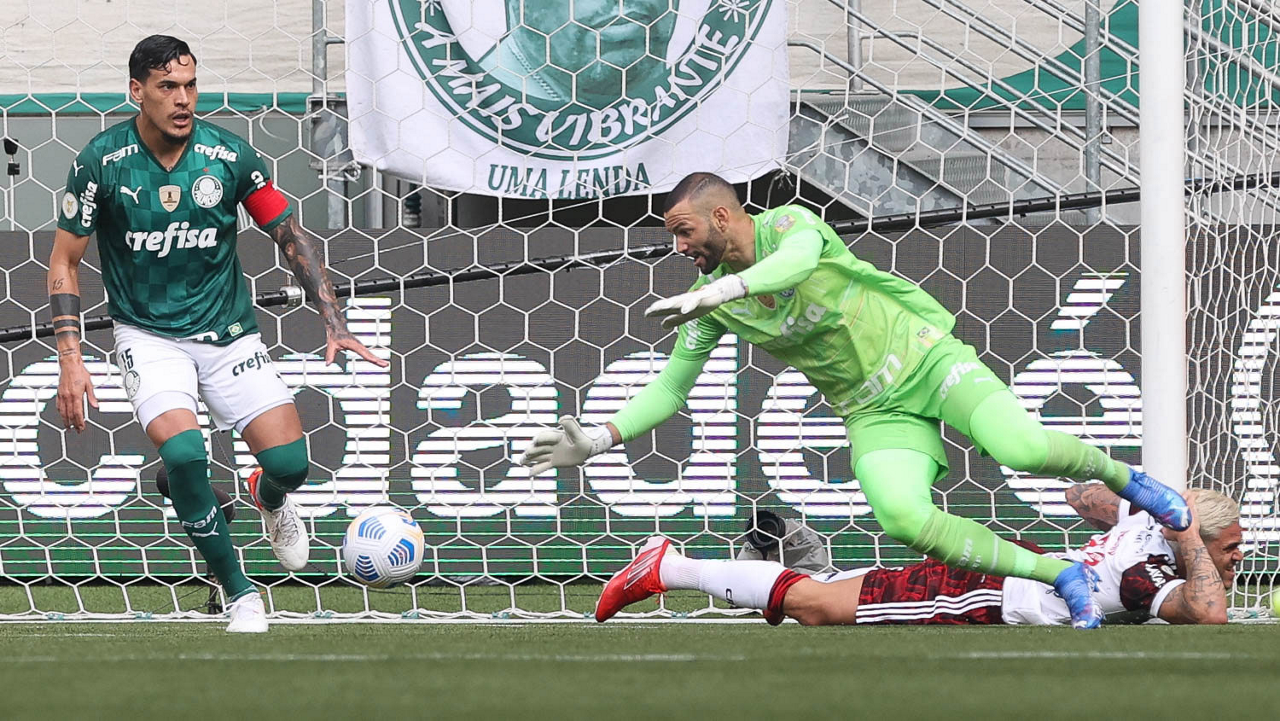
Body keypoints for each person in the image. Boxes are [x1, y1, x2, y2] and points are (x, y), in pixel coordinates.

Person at [519, 171, 1192, 629]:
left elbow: (796, 264)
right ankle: (1060, 574)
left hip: (926, 359)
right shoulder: (708, 303)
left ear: (722, 216)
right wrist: (598, 439)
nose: (679, 245)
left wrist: (722, 290)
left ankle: (1128, 479)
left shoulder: (787, 225)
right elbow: (671, 387)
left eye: (685, 229)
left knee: (1020, 447)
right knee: (902, 516)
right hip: (873, 410)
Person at [48, 35, 387, 633]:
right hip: (147, 336)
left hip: (229, 333)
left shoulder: (229, 155)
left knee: (292, 465)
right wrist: (70, 359)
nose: (183, 100)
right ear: (137, 92)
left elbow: (289, 234)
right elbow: (64, 262)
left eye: (190, 86)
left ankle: (269, 494)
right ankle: (241, 594)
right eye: (168, 87)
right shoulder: (100, 161)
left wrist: (334, 321)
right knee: (184, 455)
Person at [592, 487, 1240, 627]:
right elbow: (1209, 613)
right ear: (1198, 540)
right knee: (817, 608)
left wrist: (1145, 508)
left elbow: (1083, 496)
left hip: (1012, 572)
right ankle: (665, 567)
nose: (1240, 557)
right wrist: (1184, 535)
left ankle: (799, 558)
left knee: (837, 593)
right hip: (988, 592)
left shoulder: (1146, 531)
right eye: (1231, 547)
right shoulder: (1149, 571)